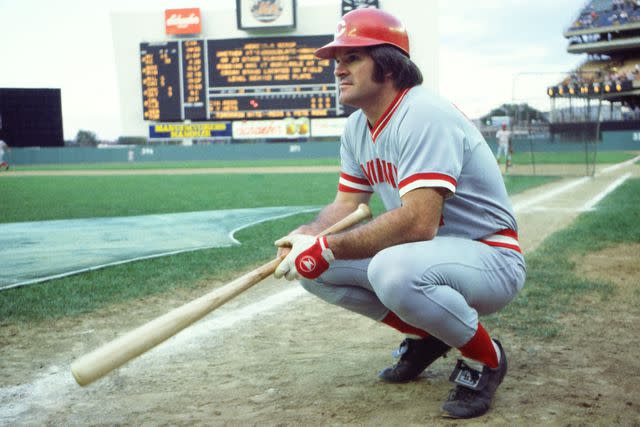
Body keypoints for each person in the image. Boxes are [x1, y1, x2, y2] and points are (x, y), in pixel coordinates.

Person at [273, 8, 525, 419]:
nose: (338, 69)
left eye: (351, 58)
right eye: (336, 61)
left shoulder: (422, 113)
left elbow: (419, 222)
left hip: (490, 257)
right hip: (431, 254)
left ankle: (486, 358)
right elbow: (346, 205)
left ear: (388, 64)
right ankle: (429, 336)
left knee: (391, 269)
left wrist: (329, 246)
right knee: (312, 271)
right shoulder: (358, 127)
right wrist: (307, 234)